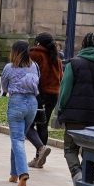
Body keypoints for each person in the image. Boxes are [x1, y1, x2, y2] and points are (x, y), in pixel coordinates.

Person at [54, 31, 94, 186]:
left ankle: (77, 176)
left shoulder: (73, 64)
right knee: (90, 151)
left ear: (83, 46)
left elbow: (65, 91)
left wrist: (61, 109)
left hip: (74, 117)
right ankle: (85, 182)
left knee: (70, 149)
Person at [2, 39, 39, 186]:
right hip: (32, 104)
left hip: (16, 103)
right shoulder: (34, 66)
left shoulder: (9, 67)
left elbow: (4, 86)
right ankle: (14, 173)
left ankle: (23, 173)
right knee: (18, 138)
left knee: (17, 139)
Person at [28, 32, 63, 169]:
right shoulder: (57, 58)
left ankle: (40, 149)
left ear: (38, 43)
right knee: (43, 124)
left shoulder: (34, 54)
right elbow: (60, 76)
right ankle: (39, 157)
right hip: (53, 94)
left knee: (28, 125)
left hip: (39, 94)